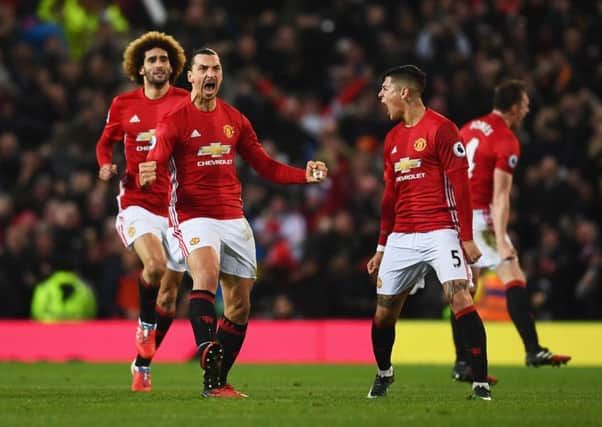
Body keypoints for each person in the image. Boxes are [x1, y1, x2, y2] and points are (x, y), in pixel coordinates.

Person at [139, 47, 328, 398]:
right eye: (203, 69)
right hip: (193, 214)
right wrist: (149, 170)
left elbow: (266, 166)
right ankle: (205, 346)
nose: (210, 74)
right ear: (191, 77)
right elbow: (157, 156)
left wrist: (305, 175)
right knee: (206, 273)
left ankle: (216, 383)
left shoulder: (235, 119)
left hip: (233, 216)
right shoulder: (174, 119)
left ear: (220, 76)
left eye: (216, 69)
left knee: (240, 306)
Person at [366, 65, 491, 400]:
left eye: (385, 88)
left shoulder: (442, 129)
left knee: (459, 295)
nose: (381, 95)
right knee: (384, 310)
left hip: (441, 230)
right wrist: (381, 246)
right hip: (402, 236)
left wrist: (466, 237)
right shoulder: (392, 139)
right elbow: (389, 196)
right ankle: (383, 374)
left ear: (404, 92)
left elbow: (461, 186)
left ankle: (479, 383)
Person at [450, 79, 571, 382]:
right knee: (512, 273)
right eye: (526, 105)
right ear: (515, 108)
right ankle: (532, 349)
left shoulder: (469, 127)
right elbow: (501, 195)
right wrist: (502, 238)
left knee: (464, 290)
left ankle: (462, 363)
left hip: (455, 214)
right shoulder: (506, 139)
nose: (528, 110)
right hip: (480, 217)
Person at [95, 31, 189, 392]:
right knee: (154, 267)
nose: (159, 65)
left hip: (179, 209)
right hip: (139, 203)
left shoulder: (186, 102)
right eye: (152, 59)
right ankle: (145, 327)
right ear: (140, 67)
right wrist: (105, 166)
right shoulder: (122, 105)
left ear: (173, 67)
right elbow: (105, 144)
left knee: (168, 297)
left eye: (164, 59)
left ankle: (143, 364)